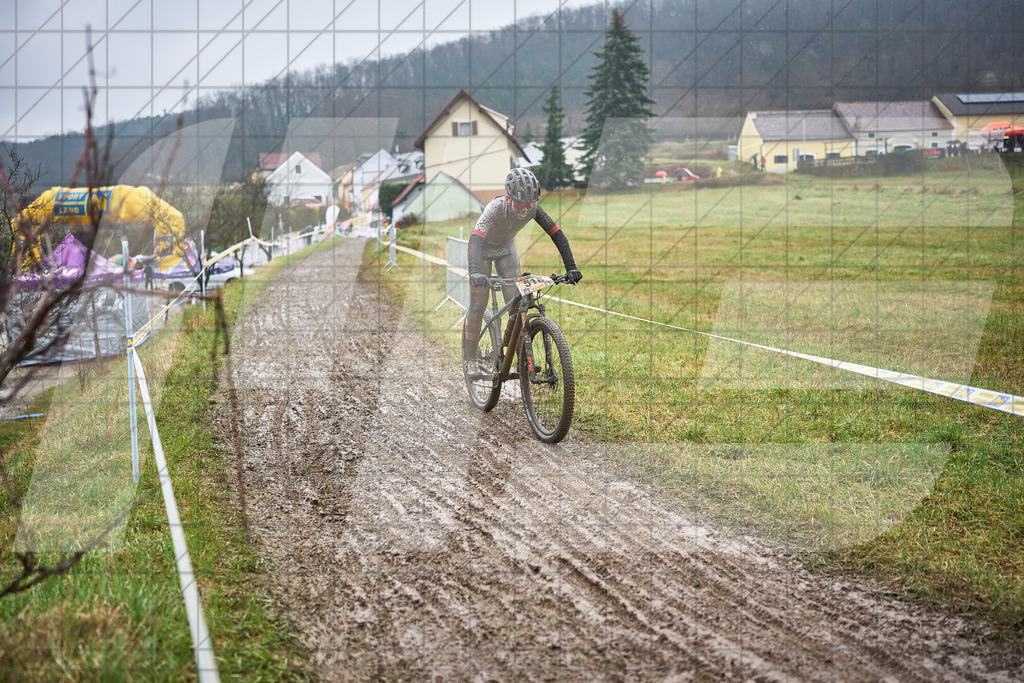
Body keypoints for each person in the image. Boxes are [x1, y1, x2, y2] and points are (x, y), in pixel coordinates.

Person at [463, 167, 582, 375]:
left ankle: (517, 357)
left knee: (516, 304)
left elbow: (557, 234)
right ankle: (470, 359)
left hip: (506, 249)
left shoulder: (534, 208)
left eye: (528, 204)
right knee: (479, 303)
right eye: (519, 203)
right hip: (482, 250)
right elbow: (475, 239)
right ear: (508, 198)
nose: (524, 209)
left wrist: (571, 267)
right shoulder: (495, 208)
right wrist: (474, 272)